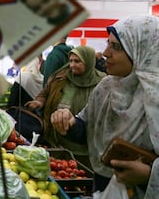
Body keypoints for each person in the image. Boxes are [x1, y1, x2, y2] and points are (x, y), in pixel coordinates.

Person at [50, 14, 159, 197]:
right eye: (108, 44)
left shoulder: (154, 99)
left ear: (141, 52)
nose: (106, 52)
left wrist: (149, 174)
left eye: (115, 47)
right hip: (102, 186)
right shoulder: (106, 87)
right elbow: (87, 128)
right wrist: (69, 122)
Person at [26, 45, 106, 167]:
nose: (72, 65)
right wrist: (40, 102)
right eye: (71, 61)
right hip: (58, 142)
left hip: (86, 149)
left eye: (77, 61)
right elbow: (46, 92)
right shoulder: (61, 77)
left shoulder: (103, 83)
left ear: (89, 61)